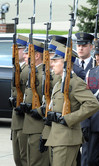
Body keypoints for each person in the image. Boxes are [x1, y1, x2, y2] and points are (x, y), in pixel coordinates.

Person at [45, 45, 99, 166]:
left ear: (66, 63)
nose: (51, 64)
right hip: (56, 137)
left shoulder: (75, 82)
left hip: (67, 138)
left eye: (55, 61)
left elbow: (93, 104)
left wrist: (68, 119)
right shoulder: (60, 82)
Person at [20, 39, 50, 166]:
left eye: (28, 53)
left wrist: (39, 110)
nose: (25, 56)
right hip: (29, 125)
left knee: (37, 162)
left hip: (38, 126)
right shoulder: (32, 72)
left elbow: (49, 99)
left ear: (37, 55)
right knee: (29, 160)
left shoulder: (44, 74)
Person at [9, 34, 29, 166]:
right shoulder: (18, 67)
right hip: (16, 119)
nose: (15, 52)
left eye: (18, 49)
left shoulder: (28, 70)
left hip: (24, 121)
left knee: (23, 157)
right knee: (18, 158)